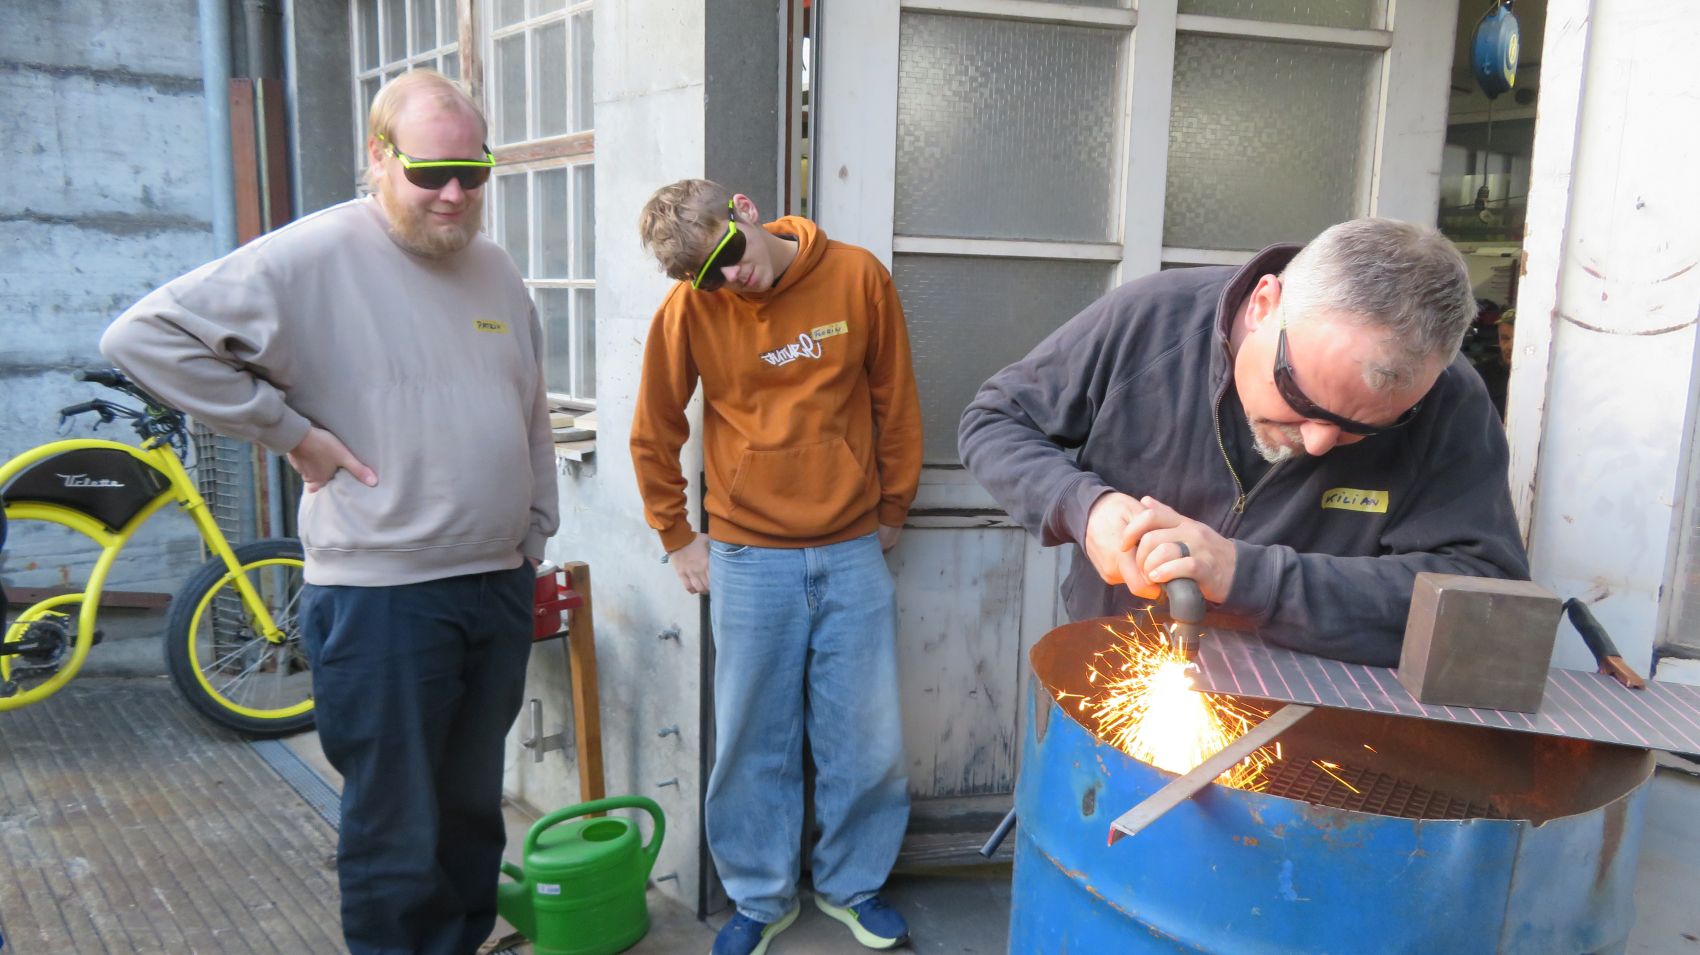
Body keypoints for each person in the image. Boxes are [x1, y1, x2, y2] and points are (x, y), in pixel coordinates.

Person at [101, 69, 557, 955]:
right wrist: (291, 432)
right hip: (383, 598)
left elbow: (528, 404)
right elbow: (142, 336)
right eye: (431, 173)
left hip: (496, 582)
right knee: (398, 827)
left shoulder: (495, 268)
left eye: (472, 171)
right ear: (379, 157)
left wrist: (534, 529)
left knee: (472, 813)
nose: (454, 194)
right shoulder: (313, 255)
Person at [958, 218, 1528, 666]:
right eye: (1301, 398)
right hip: (1117, 666)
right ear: (1263, 305)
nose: (1319, 444)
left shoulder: (1448, 400)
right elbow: (996, 420)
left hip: (1312, 707)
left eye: (1365, 428)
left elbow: (1483, 598)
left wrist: (1247, 576)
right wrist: (1085, 509)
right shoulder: (1151, 320)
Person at [630, 180, 922, 955]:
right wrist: (676, 535)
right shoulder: (691, 309)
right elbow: (653, 429)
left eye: (729, 253)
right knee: (751, 739)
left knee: (866, 736)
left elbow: (895, 401)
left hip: (852, 546)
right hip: (748, 555)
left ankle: (853, 885)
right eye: (708, 275)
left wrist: (894, 506)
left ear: (745, 210)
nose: (731, 277)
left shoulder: (857, 276)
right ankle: (760, 897)